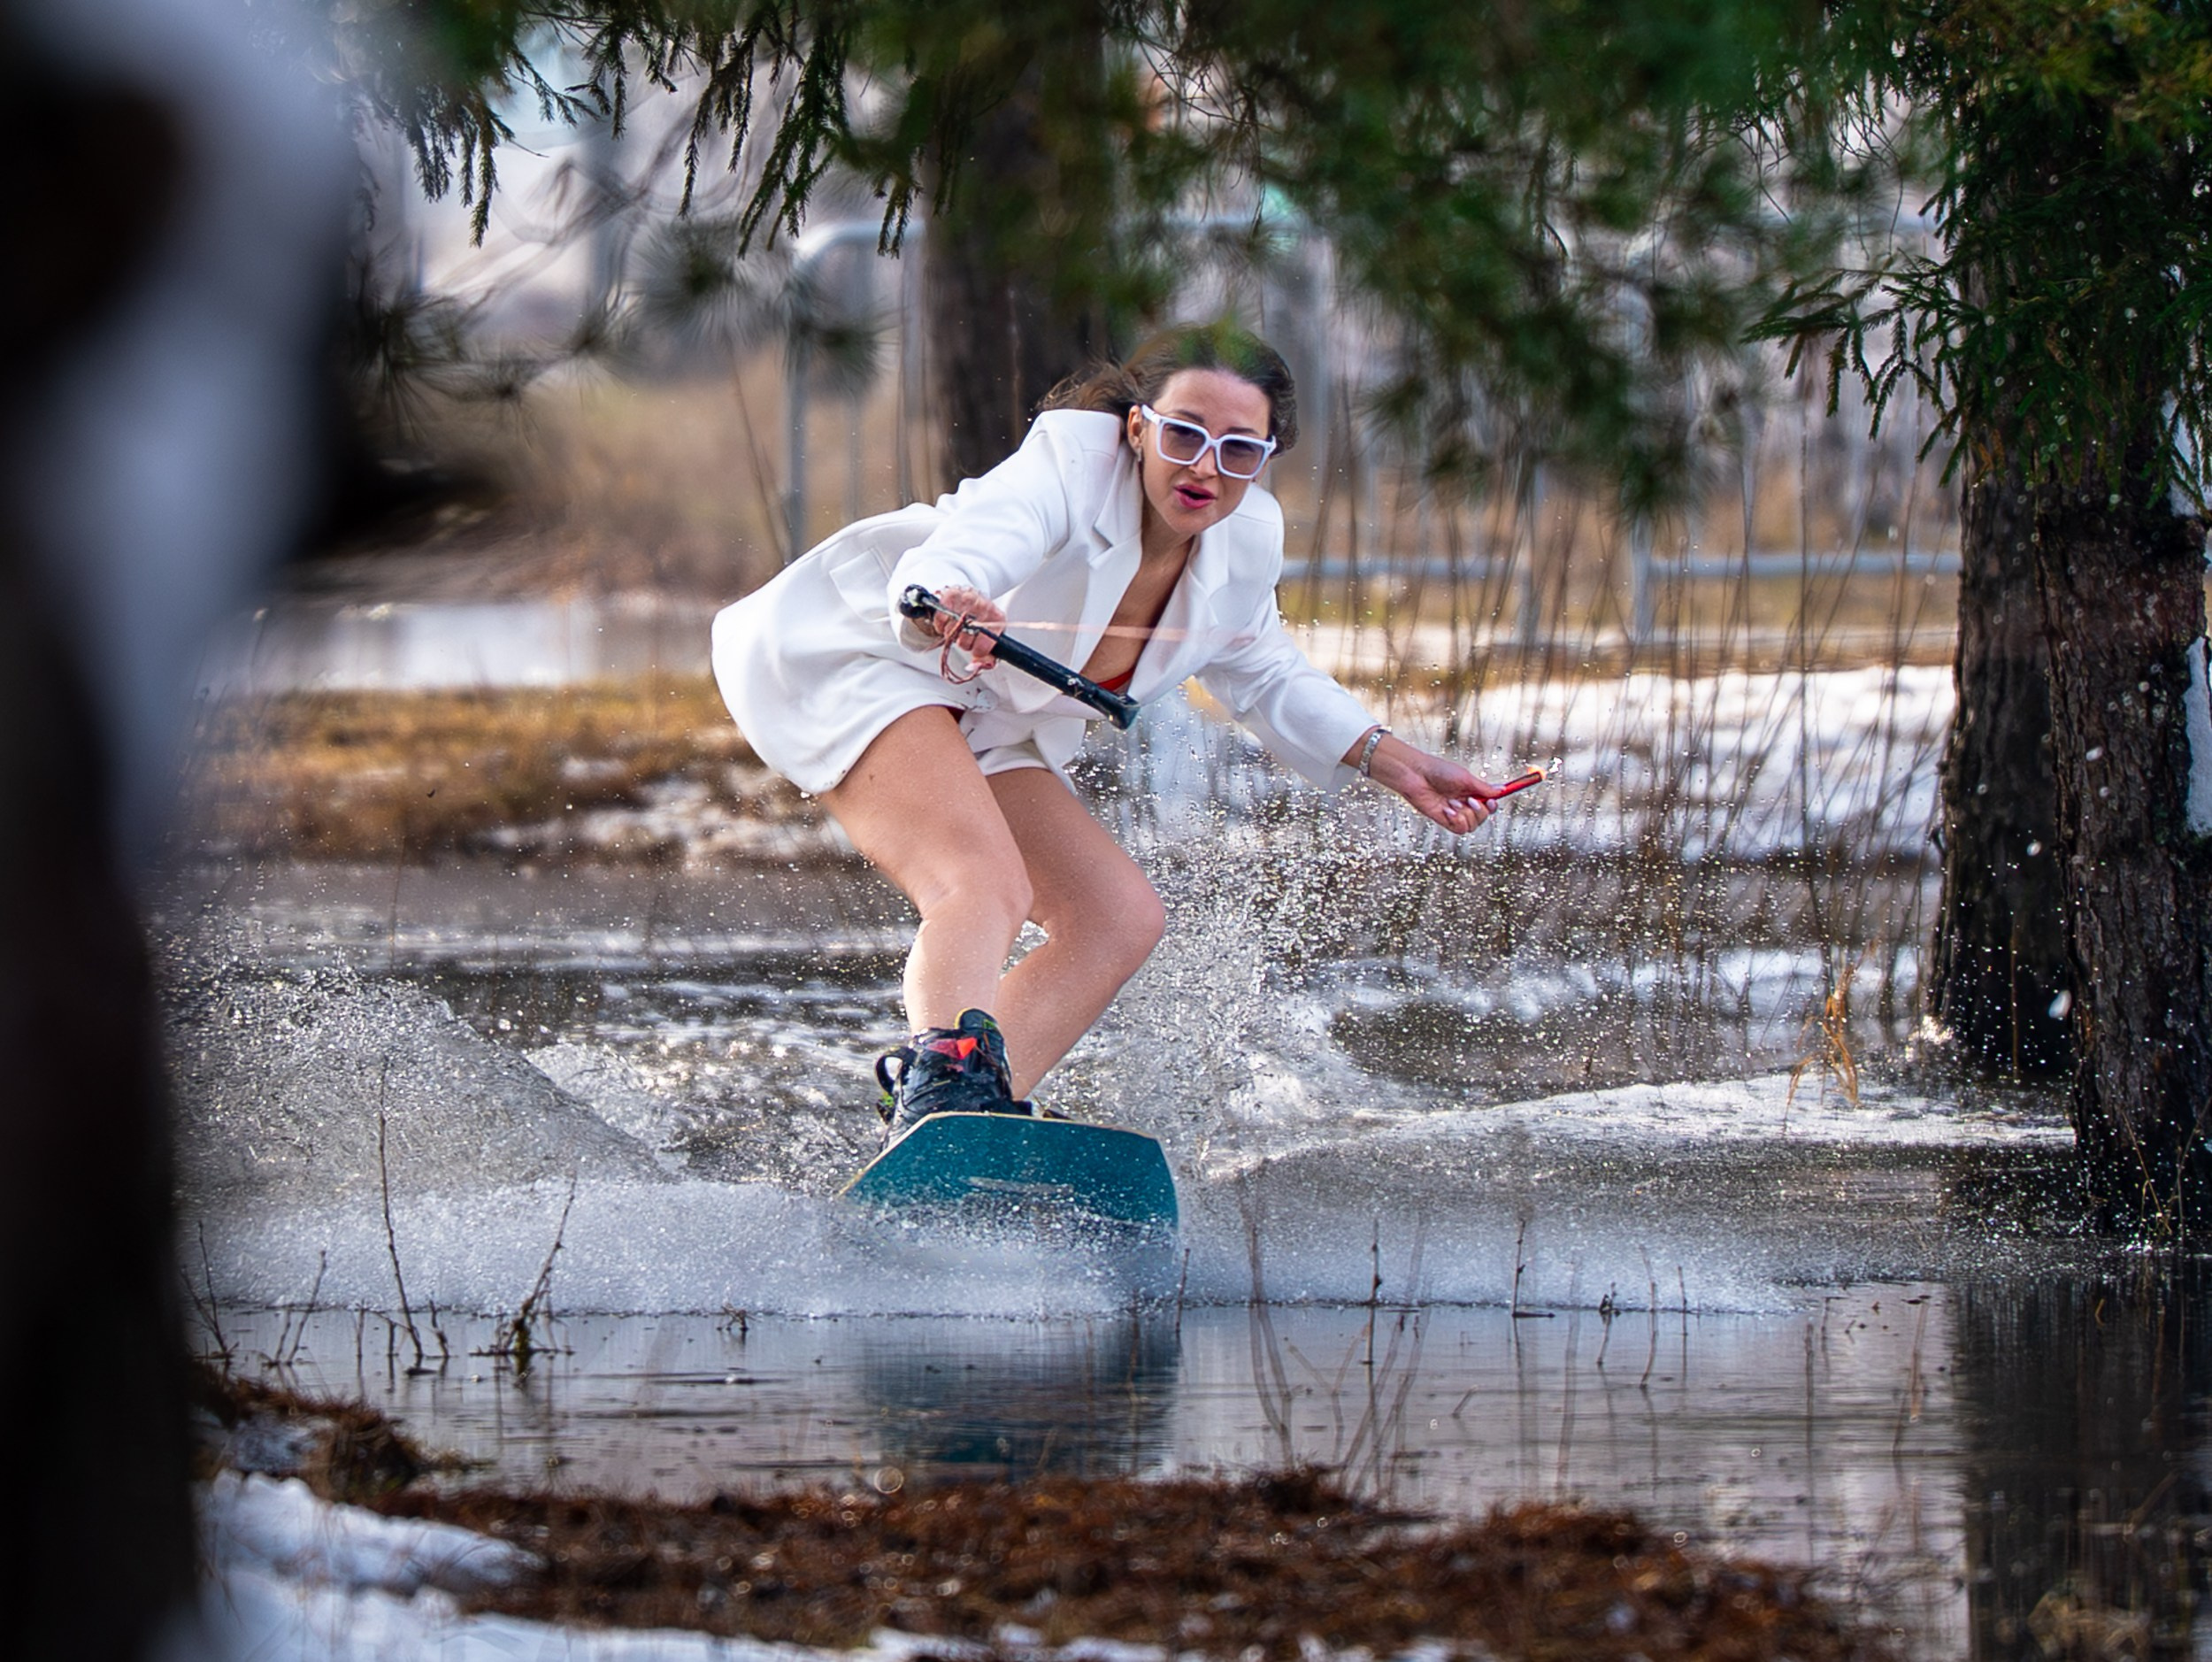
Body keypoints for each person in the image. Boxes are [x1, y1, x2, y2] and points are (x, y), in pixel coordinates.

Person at [712, 322, 1513, 1135]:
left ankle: (964, 1121)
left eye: (1240, 449)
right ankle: (944, 1091)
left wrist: (1396, 761)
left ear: (1268, 458)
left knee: (1117, 917)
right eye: (1185, 434)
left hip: (990, 708)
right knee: (982, 882)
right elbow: (983, 537)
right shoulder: (1070, 464)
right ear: (1138, 426)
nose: (1207, 466)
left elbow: (1265, 670)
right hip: (867, 651)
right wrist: (951, 598)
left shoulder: (1244, 542)